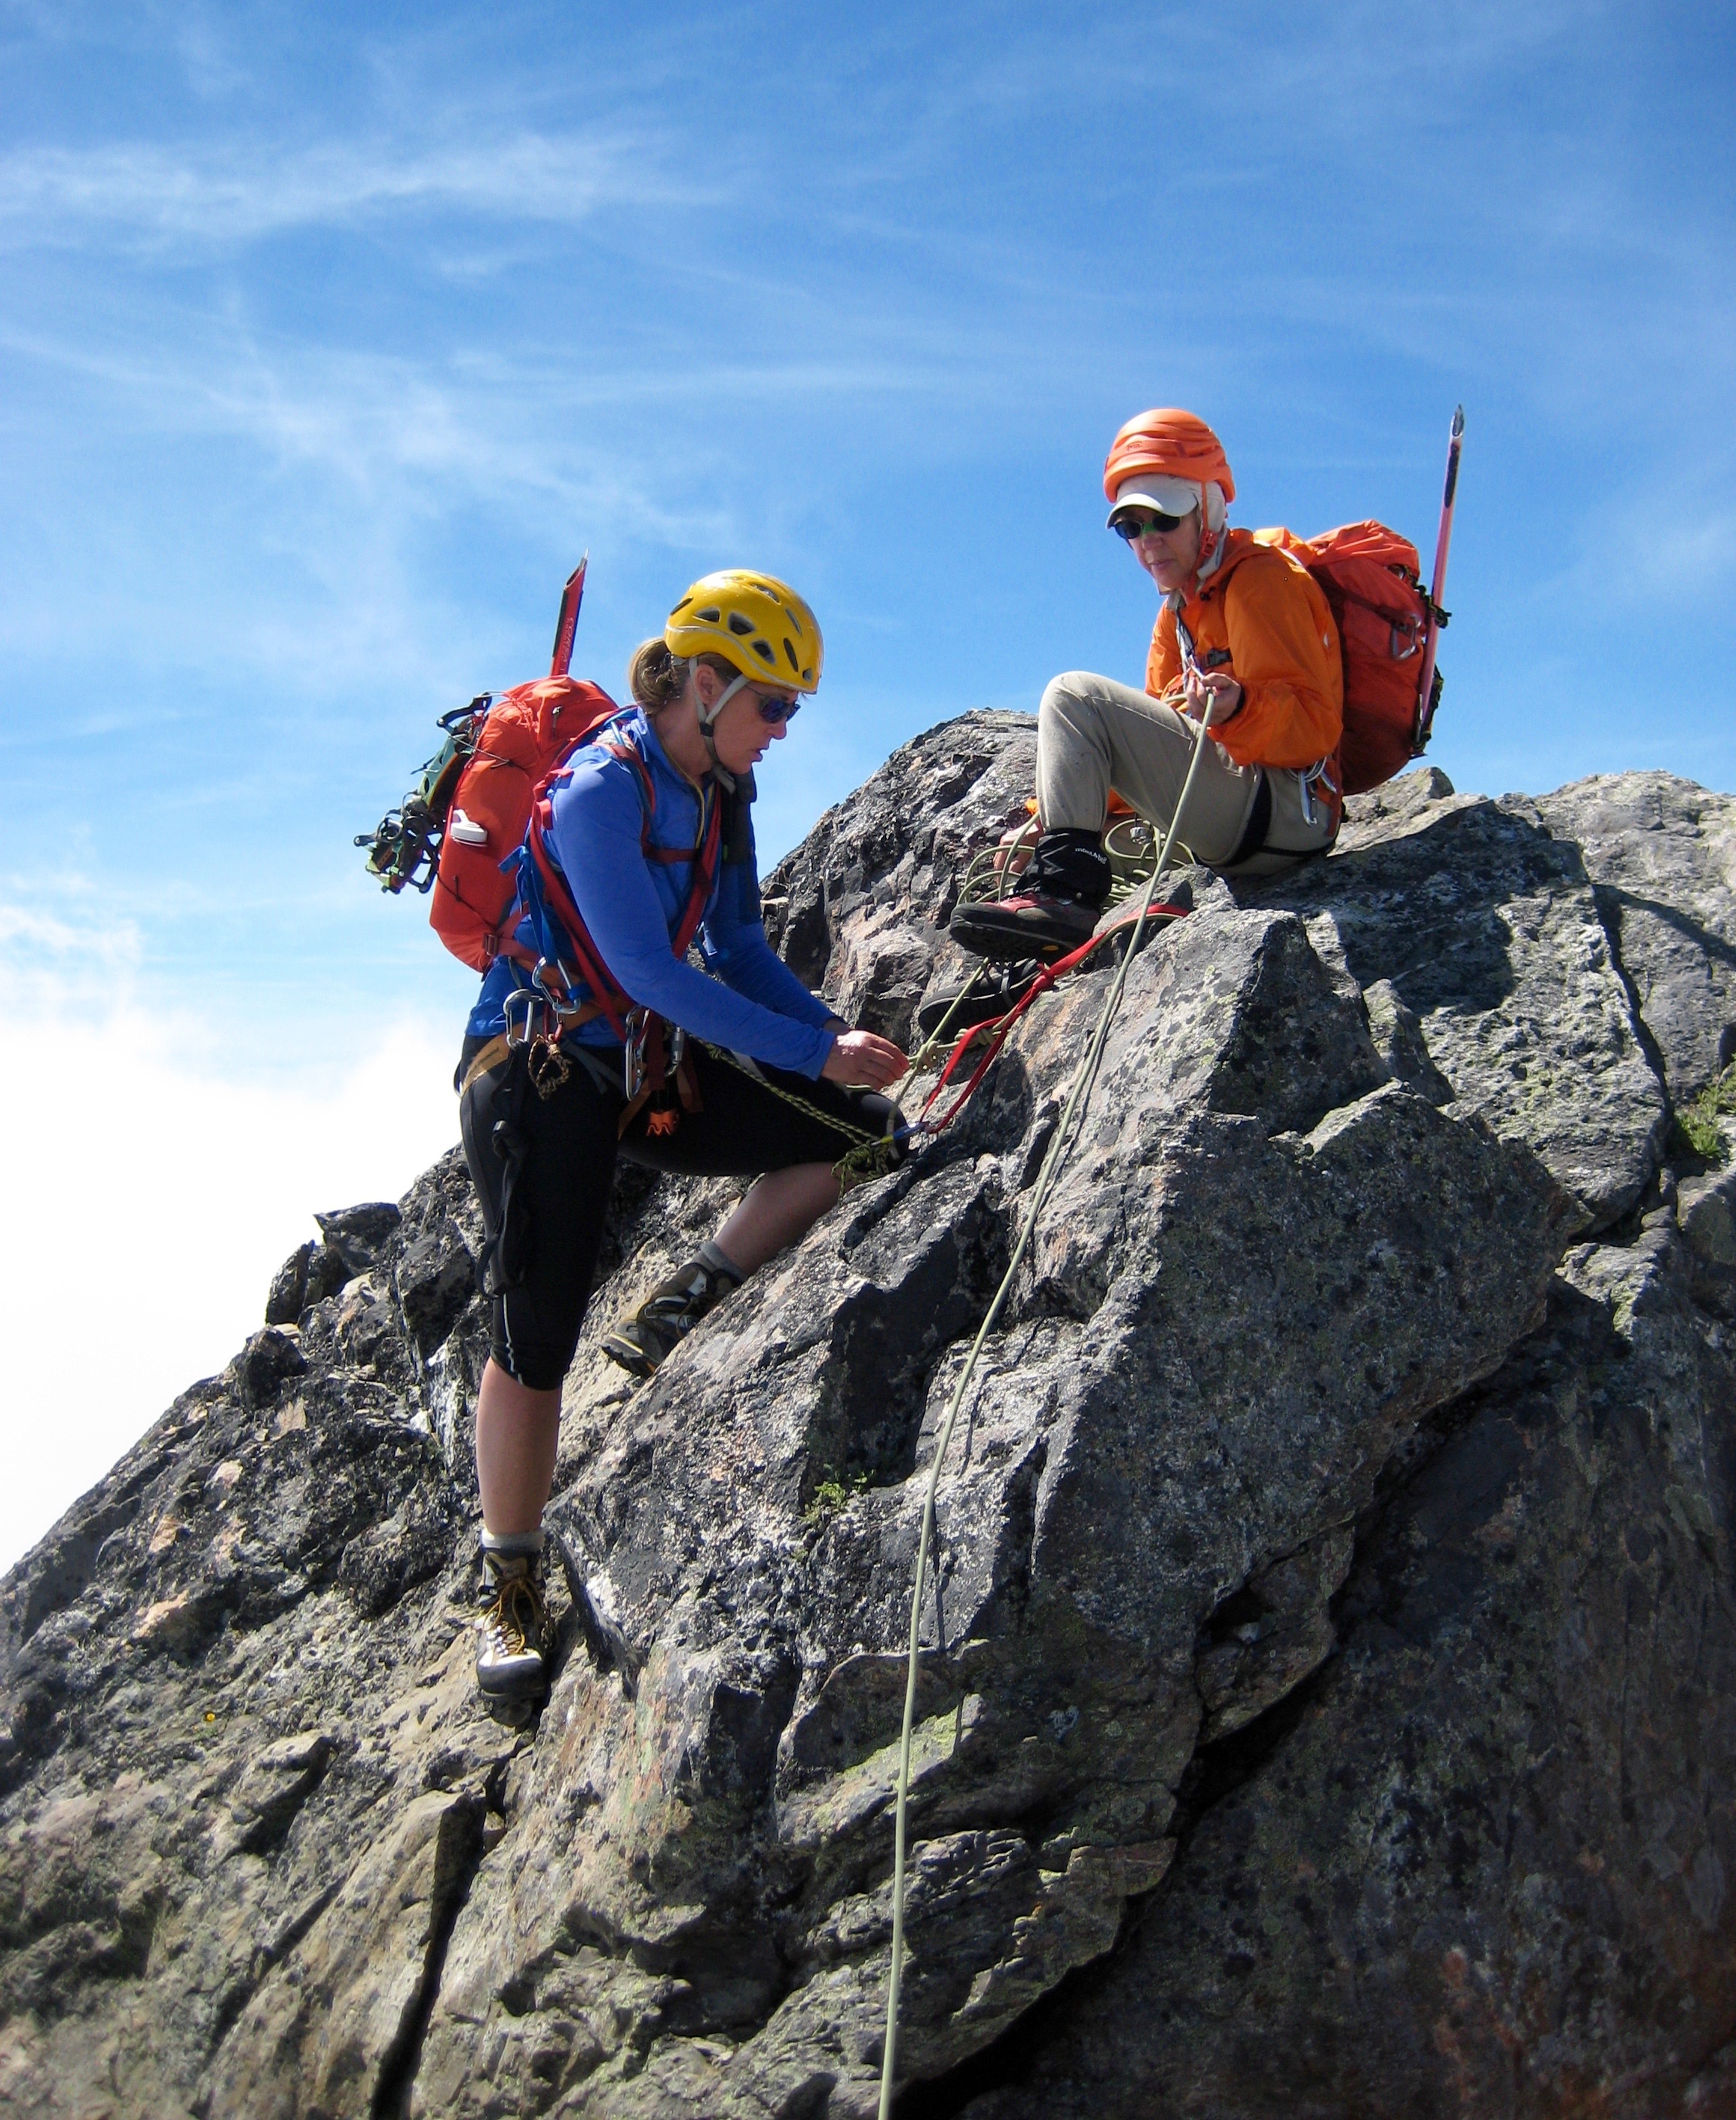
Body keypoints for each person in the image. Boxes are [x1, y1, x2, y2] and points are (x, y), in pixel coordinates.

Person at [457, 570, 907, 1700]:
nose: (784, 730)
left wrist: (835, 1038)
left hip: (642, 1063)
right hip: (543, 1067)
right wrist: (811, 1050)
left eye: (791, 710)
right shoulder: (601, 790)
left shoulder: (721, 797)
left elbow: (740, 949)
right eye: (773, 705)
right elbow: (647, 967)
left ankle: (691, 1294)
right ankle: (507, 1582)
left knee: (856, 1133)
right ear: (703, 684)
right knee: (537, 1329)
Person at [949, 408, 1344, 959]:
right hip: (1258, 819)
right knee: (1081, 718)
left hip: (1287, 813)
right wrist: (1044, 823)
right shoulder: (1177, 616)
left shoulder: (1260, 581)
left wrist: (1241, 708)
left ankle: (1063, 896)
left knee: (1072, 695)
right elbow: (1135, 752)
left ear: (1208, 509)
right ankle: (1042, 924)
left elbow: (1316, 726)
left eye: (1164, 520)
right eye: (1131, 528)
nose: (1147, 541)